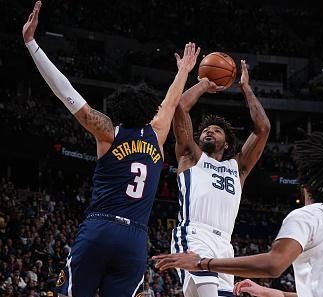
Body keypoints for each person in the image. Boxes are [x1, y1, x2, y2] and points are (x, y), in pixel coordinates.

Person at [22, 2, 200, 296]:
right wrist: (184, 71)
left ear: (118, 109)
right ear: (146, 110)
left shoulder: (107, 132)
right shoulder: (156, 134)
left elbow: (67, 93)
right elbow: (170, 101)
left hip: (99, 229)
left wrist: (32, 44)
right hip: (134, 239)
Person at [154, 132, 323, 297]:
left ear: (306, 187)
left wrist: (200, 262)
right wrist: (274, 293)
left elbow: (273, 265)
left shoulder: (308, 216)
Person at [170, 59, 271, 297]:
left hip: (225, 245)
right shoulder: (190, 156)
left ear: (226, 144)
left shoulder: (238, 167)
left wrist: (246, 89)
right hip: (194, 235)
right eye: (206, 129)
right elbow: (180, 107)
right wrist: (205, 83)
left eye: (216, 130)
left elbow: (263, 128)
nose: (208, 130)